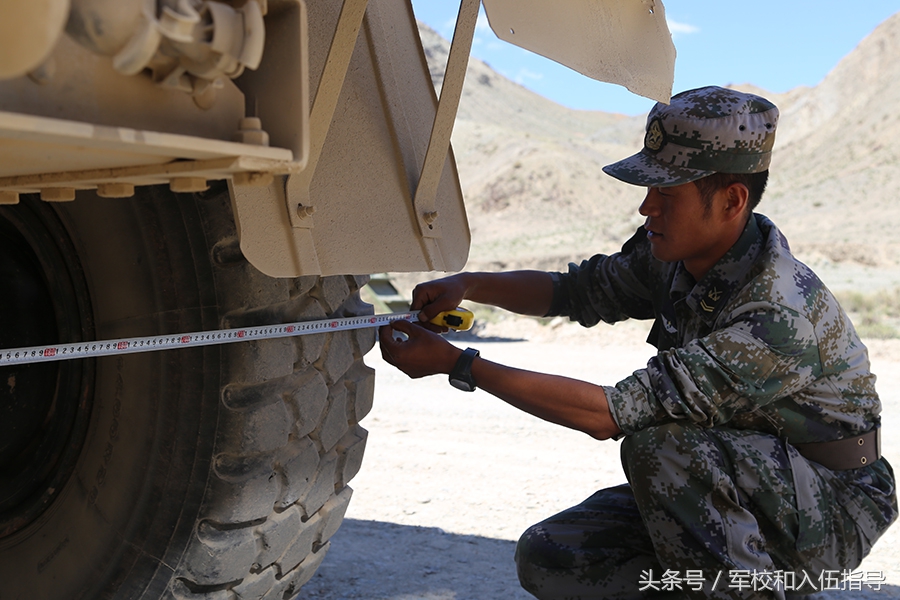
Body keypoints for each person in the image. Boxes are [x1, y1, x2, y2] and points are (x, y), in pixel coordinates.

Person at [378, 86, 897, 599]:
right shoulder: (674, 256)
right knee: (553, 556)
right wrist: (469, 284)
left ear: (731, 201)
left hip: (832, 504)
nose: (646, 208)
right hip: (739, 478)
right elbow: (575, 291)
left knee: (663, 447)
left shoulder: (778, 312)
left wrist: (459, 364)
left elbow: (608, 414)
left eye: (666, 195)